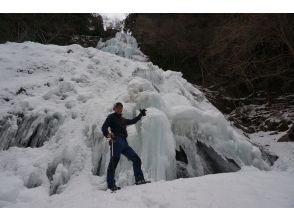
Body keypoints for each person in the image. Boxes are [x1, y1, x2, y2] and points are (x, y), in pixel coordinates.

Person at [101, 102, 147, 191]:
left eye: (121, 108)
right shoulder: (111, 117)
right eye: (117, 107)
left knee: (136, 159)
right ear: (114, 108)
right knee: (114, 163)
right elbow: (104, 127)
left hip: (124, 143)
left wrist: (140, 115)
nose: (119, 109)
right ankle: (111, 185)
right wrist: (107, 134)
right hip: (116, 141)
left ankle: (140, 179)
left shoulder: (123, 120)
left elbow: (132, 121)